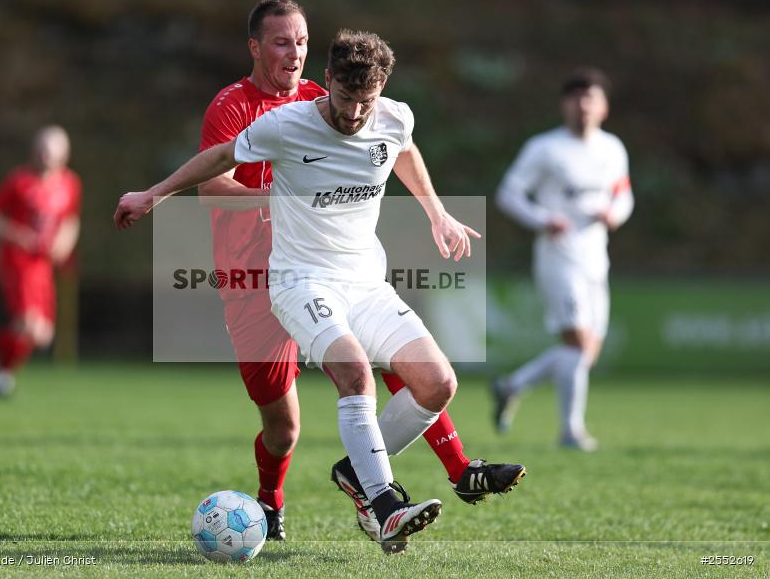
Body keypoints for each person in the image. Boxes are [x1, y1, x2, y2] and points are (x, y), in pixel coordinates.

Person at [116, 29, 524, 554]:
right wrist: (153, 195)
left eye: (366, 102)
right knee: (355, 373)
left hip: (366, 282)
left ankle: (357, 474)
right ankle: (384, 503)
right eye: (347, 99)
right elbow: (220, 159)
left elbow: (403, 150)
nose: (355, 114)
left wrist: (437, 212)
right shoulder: (288, 125)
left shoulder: (394, 116)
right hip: (300, 281)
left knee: (438, 384)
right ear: (326, 81)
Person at [493, 68, 633, 451]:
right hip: (558, 257)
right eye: (576, 98)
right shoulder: (545, 148)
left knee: (586, 351)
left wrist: (615, 214)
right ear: (564, 105)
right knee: (576, 342)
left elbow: (623, 194)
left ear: (604, 107)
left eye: (591, 98)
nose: (584, 105)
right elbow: (509, 193)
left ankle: (512, 386)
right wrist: (543, 218)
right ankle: (571, 431)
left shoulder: (612, 149)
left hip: (594, 258)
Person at [0, 126, 81, 397]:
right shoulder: (19, 181)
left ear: (64, 154)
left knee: (43, 335)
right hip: (16, 261)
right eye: (40, 148)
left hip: (43, 264)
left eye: (50, 150)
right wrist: (17, 235)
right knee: (30, 326)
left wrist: (65, 243)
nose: (44, 155)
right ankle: (3, 375)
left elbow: (71, 220)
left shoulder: (70, 183)